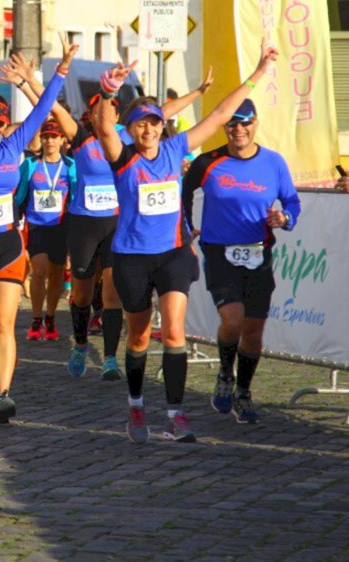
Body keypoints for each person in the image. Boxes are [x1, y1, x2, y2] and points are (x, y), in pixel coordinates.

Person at [96, 39, 278, 444]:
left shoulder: (177, 147)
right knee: (140, 335)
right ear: (132, 129)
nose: (148, 129)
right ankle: (137, 404)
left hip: (173, 253)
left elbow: (220, 115)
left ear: (164, 126)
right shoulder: (123, 158)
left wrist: (259, 72)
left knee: (175, 331)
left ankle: (176, 413)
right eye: (141, 123)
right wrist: (109, 92)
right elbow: (102, 126)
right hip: (131, 257)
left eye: (155, 122)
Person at [2, 52, 213, 381]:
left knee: (113, 291)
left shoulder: (129, 136)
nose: (106, 109)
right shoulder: (83, 137)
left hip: (118, 224)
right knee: (83, 293)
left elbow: (165, 112)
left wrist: (199, 92)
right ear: (92, 111)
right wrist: (29, 81)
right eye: (100, 105)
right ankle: (81, 343)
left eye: (110, 105)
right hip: (84, 224)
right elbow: (51, 107)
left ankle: (112, 356)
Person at [0, 42, 77, 424]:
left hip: (6, 243)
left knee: (5, 323)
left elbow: (43, 109)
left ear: (6, 126)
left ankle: (3, 395)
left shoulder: (15, 146)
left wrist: (60, 71)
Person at [182, 98, 301, 424]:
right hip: (220, 251)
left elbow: (291, 200)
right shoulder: (208, 161)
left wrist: (285, 217)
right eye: (232, 123)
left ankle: (244, 391)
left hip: (259, 252)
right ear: (225, 127)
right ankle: (224, 373)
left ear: (256, 123)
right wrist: (185, 227)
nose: (239, 129)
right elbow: (183, 191)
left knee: (254, 331)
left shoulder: (274, 163)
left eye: (245, 122)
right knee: (232, 320)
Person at [15, 120, 74, 341]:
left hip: (60, 226)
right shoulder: (30, 165)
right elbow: (19, 193)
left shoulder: (70, 166)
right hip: (37, 225)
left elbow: (75, 195)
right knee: (38, 271)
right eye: (46, 137)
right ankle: (36, 318)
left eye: (54, 137)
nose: (49, 141)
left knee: (56, 274)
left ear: (62, 140)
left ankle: (50, 317)